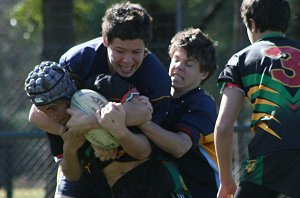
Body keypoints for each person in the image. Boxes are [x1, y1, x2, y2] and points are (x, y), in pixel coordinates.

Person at [27, 2, 189, 197]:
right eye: (120, 51)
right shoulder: (77, 61)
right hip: (83, 165)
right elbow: (37, 115)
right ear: (105, 40)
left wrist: (90, 125)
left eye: (136, 52)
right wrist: (87, 135)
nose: (128, 60)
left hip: (132, 169)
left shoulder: (156, 79)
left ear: (146, 46)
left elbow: (143, 120)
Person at [214, 0, 300, 197]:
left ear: (251, 23)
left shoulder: (241, 59)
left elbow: (224, 126)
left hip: (270, 154)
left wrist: (226, 181)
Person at [138, 27, 219, 197]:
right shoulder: (159, 94)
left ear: (204, 73)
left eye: (189, 64)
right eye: (176, 59)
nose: (179, 67)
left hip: (201, 192)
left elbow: (180, 146)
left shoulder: (202, 103)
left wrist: (141, 121)